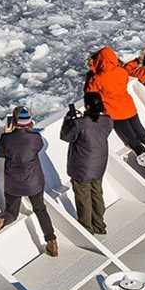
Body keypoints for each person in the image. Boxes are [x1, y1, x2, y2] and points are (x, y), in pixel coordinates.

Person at [0, 108, 58, 256]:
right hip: (34, 183)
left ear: (14, 122)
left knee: (11, 213)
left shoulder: (7, 139)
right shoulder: (35, 138)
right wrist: (30, 131)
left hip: (14, 184)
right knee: (40, 209)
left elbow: (0, 153)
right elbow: (38, 147)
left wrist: (6, 134)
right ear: (29, 122)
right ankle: (51, 240)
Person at [86, 46, 145, 157]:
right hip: (130, 109)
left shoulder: (98, 79)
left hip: (116, 115)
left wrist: (92, 72)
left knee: (133, 141)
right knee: (143, 135)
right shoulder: (122, 72)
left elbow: (89, 91)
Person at [62, 91, 113, 236]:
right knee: (97, 194)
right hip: (99, 166)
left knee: (83, 198)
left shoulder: (80, 123)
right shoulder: (108, 121)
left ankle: (86, 228)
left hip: (82, 168)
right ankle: (100, 225)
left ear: (87, 105)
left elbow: (66, 136)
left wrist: (69, 120)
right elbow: (95, 127)